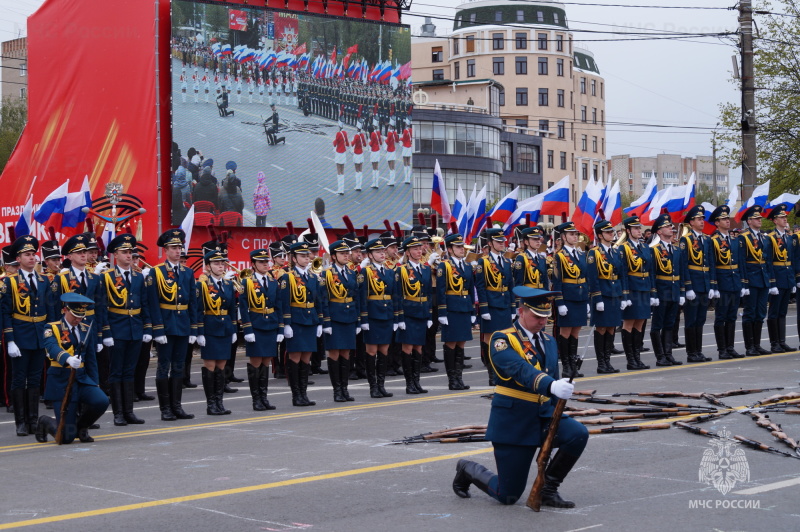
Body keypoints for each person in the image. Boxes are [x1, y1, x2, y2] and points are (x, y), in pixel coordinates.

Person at [452, 287, 588, 507]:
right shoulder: (502, 340)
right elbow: (519, 369)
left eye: (546, 317)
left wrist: (558, 401)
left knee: (577, 434)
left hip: (543, 415)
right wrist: (551, 385)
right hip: (514, 420)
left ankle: (547, 490)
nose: (542, 322)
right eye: (537, 316)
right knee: (508, 495)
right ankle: (468, 469)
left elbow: (551, 374)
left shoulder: (549, 341)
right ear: (521, 311)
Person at [35, 293, 110, 444]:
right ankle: (45, 421)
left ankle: (81, 428)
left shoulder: (86, 328)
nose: (78, 319)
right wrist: (67, 358)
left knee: (101, 400)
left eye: (81, 316)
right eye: (75, 315)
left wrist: (95, 382)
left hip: (81, 378)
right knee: (66, 438)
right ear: (65, 310)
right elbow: (51, 347)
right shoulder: (52, 327)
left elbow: (91, 358)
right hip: (61, 380)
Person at [146, 229, 197, 421]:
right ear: (165, 250)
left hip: (182, 325)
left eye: (179, 247)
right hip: (166, 326)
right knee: (163, 367)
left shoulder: (188, 272)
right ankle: (165, 409)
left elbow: (192, 302)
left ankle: (177, 407)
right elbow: (153, 302)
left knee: (179, 367)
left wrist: (193, 328)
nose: (178, 251)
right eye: (174, 248)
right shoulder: (156, 272)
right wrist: (157, 329)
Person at [2, 236, 51, 436]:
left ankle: (33, 421)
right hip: (21, 336)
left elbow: (50, 310)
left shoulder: (43, 280)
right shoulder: (10, 282)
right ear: (18, 259)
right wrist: (10, 340)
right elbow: (5, 313)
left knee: (35, 379)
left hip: (40, 335)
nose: (32, 258)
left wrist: (51, 337)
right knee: (18, 379)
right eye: (27, 255)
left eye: (33, 255)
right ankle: (20, 422)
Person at [101, 234, 150, 426]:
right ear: (115, 255)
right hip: (117, 329)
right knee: (116, 372)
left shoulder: (138, 276)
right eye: (125, 252)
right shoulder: (107, 277)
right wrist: (106, 332)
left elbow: (144, 303)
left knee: (130, 371)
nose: (129, 255)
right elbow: (102, 306)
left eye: (131, 252)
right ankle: (118, 413)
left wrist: (147, 328)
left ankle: (129, 411)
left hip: (135, 329)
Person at [282, 241, 326, 406]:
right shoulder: (288, 277)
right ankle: (296, 395)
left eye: (308, 256)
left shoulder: (313, 277)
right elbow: (284, 301)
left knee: (306, 357)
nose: (307, 259)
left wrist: (320, 321)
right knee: (295, 356)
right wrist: (286, 323)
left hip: (310, 319)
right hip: (296, 320)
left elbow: (318, 301)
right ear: (293, 258)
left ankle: (304, 394)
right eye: (302, 256)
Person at [241, 248, 286, 411]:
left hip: (271, 325)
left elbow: (279, 306)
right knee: (256, 362)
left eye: (267, 261)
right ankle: (256, 400)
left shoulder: (273, 282)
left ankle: (264, 397)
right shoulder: (246, 282)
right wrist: (247, 330)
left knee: (266, 361)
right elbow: (243, 307)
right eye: (261, 262)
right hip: (256, 325)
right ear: (253, 264)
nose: (266, 264)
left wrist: (280, 329)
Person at [196, 249, 238, 415]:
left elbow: (231, 309)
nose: (221, 266)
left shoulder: (228, 284)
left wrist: (234, 328)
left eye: (222, 263)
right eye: (216, 263)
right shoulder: (202, 285)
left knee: (221, 365)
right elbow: (198, 309)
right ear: (208, 266)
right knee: (210, 365)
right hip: (209, 327)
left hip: (225, 327)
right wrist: (199, 331)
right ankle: (211, 404)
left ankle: (219, 402)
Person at [360, 237, 402, 399]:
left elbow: (396, 296)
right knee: (372, 351)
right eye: (378, 252)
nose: (382, 254)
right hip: (372, 315)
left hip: (387, 315)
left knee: (384, 350)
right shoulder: (366, 272)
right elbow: (362, 296)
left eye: (383, 251)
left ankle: (381, 385)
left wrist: (397, 318)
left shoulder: (390, 272)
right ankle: (373, 387)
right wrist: (363, 319)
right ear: (370, 255)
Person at [475, 228, 515, 385]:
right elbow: (481, 286)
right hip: (491, 304)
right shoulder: (483, 262)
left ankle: (502, 371)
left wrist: (512, 308)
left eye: (503, 241)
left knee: (503, 340)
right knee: (489, 340)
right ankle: (491, 373)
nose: (501, 244)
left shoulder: (506, 261)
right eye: (498, 242)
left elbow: (510, 286)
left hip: (504, 304)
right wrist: (484, 308)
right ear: (490, 243)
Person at [437, 233, 476, 390]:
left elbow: (471, 289)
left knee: (461, 342)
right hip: (451, 308)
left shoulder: (467, 266)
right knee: (451, 343)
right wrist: (442, 312)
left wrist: (473, 310)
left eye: (462, 247)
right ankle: (452, 379)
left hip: (465, 307)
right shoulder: (444, 266)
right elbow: (441, 290)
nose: (462, 249)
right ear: (450, 249)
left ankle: (459, 378)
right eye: (458, 247)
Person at [551, 222, 590, 379]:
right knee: (565, 332)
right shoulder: (559, 256)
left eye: (576, 234)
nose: (575, 236)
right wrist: (560, 302)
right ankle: (566, 366)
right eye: (571, 234)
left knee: (576, 331)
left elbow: (584, 278)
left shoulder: (581, 254)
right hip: (567, 298)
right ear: (563, 237)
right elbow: (557, 281)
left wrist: (587, 300)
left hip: (580, 297)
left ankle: (573, 365)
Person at [322, 240, 359, 402]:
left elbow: (356, 297)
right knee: (335, 353)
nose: (346, 256)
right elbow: (323, 299)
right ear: (334, 256)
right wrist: (326, 322)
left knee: (346, 352)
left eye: (347, 253)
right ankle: (337, 390)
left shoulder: (351, 273)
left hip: (349, 316)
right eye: (342, 253)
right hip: (335, 317)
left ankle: (345, 389)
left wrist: (357, 320)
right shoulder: (327, 274)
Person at [586, 220, 624, 373]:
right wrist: (597, 298)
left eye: (612, 232)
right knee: (601, 328)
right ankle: (601, 364)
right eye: (608, 232)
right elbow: (592, 277)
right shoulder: (594, 253)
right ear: (600, 235)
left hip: (614, 294)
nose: (612, 234)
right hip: (602, 294)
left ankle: (608, 362)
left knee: (611, 328)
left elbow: (620, 274)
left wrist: (622, 295)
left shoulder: (615, 252)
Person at [709, 205, 746, 359]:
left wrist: (743, 283)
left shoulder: (734, 240)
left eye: (727, 218)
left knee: (732, 316)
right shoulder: (713, 240)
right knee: (721, 316)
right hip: (722, 283)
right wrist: (714, 285)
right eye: (723, 219)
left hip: (734, 282)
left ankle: (730, 347)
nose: (727, 221)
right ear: (716, 223)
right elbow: (711, 264)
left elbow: (740, 262)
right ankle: (722, 349)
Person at [397, 236, 433, 394]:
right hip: (408, 311)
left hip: (422, 311)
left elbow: (428, 293)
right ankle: (409, 383)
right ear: (407, 252)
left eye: (420, 249)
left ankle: (417, 381)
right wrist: (399, 317)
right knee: (408, 347)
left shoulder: (425, 269)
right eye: (415, 249)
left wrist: (430, 314)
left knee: (419, 347)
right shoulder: (402, 270)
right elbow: (397, 294)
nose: (419, 251)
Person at [680, 205, 715, 363]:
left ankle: (698, 351)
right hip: (693, 285)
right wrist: (688, 287)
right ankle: (691, 353)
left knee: (701, 319)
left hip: (704, 284)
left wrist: (712, 285)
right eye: (699, 219)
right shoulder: (685, 240)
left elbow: (711, 263)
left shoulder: (707, 239)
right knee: (691, 320)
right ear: (691, 222)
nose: (702, 221)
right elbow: (684, 264)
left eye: (702, 219)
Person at [739, 205, 775, 356]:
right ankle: (750, 346)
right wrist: (744, 282)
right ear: (749, 221)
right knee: (750, 312)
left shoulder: (764, 238)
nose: (759, 220)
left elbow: (768, 261)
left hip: (763, 279)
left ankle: (757, 344)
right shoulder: (744, 237)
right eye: (756, 218)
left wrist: (771, 281)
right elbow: (742, 262)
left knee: (761, 312)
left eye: (760, 218)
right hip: (751, 279)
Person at [649, 215, 684, 367]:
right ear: (659, 231)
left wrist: (682, 292)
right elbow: (652, 274)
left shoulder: (676, 250)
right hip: (661, 291)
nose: (671, 228)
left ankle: (668, 354)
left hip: (674, 290)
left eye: (671, 226)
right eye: (667, 226)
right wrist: (654, 294)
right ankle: (660, 356)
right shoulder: (654, 251)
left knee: (670, 324)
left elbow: (680, 272)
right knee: (657, 324)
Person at [617, 216, 652, 370]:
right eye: (636, 228)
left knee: (640, 323)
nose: (639, 231)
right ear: (628, 231)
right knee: (629, 323)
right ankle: (630, 359)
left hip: (644, 288)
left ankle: (637, 357)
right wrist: (625, 294)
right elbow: (623, 272)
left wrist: (652, 292)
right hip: (632, 288)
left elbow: (650, 270)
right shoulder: (623, 248)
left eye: (640, 228)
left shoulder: (644, 247)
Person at [765, 203, 795, 353]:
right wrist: (772, 282)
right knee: (774, 311)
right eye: (781, 217)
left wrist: (793, 279)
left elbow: (791, 259)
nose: (784, 219)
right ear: (775, 220)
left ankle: (782, 341)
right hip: (777, 278)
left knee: (783, 311)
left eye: (785, 217)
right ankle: (774, 343)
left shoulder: (788, 238)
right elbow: (769, 261)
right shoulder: (770, 238)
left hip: (787, 278)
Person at [351, 122, 367, 191]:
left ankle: (357, 185)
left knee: (357, 170)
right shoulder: (362, 135)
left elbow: (352, 144)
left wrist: (352, 140)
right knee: (360, 170)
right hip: (361, 153)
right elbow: (365, 144)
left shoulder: (356, 136)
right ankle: (359, 185)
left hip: (357, 153)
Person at [333, 122, 349, 195]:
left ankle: (340, 189)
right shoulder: (345, 133)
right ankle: (342, 188)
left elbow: (335, 143)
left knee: (339, 171)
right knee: (342, 171)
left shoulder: (338, 134)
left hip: (339, 153)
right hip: (343, 153)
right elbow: (347, 143)